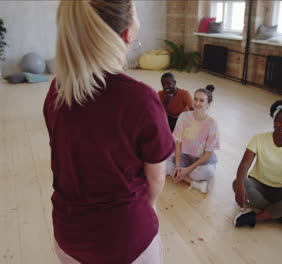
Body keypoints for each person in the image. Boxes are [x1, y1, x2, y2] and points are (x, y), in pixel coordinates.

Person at [43, 1, 175, 263]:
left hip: (68, 234)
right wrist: (147, 210)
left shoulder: (57, 90)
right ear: (128, 33)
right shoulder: (141, 99)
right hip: (126, 239)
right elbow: (156, 179)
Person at [233, 99, 282, 230]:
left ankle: (255, 218)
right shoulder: (258, 138)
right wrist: (240, 187)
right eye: (281, 121)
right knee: (238, 183)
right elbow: (245, 165)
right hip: (258, 185)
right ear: (274, 121)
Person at [165, 85, 220, 193]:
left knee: (207, 172)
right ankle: (193, 183)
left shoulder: (212, 123)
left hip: (203, 160)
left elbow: (208, 154)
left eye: (201, 100)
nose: (197, 103)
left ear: (208, 104)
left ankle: (185, 175)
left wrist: (186, 170)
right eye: (195, 99)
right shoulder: (183, 116)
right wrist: (177, 166)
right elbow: (178, 143)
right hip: (185, 156)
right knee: (163, 164)